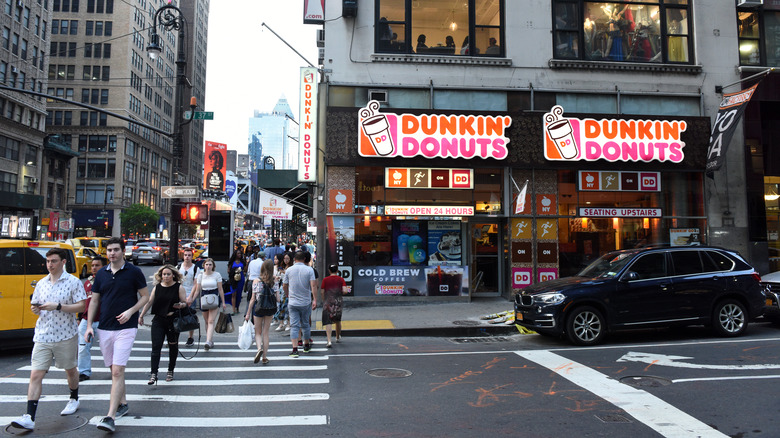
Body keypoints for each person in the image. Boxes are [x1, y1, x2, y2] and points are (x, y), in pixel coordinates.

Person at [10, 248, 87, 432]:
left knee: (70, 370)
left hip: (65, 334)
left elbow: (82, 305)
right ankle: (29, 416)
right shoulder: (42, 283)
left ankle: (74, 397)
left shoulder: (73, 282)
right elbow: (35, 304)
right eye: (48, 261)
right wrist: (35, 309)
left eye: (53, 261)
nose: (50, 265)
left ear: (63, 262)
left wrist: (58, 306)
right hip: (43, 334)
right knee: (36, 374)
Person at [84, 237, 150, 433]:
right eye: (109, 250)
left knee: (117, 371)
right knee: (114, 369)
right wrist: (89, 326)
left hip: (126, 327)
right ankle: (123, 403)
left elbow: (145, 296)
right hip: (105, 327)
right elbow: (94, 301)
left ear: (123, 251)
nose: (112, 253)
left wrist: (131, 311)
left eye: (115, 250)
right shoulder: (101, 274)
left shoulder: (134, 272)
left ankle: (110, 416)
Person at [139, 265, 187, 384]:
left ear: (173, 275)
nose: (166, 276)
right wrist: (141, 315)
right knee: (156, 347)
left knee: (173, 346)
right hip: (158, 320)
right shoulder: (157, 287)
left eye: (168, 274)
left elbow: (185, 303)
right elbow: (150, 302)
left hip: (173, 321)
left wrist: (181, 305)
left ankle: (170, 370)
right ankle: (153, 374)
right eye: (164, 274)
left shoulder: (178, 287)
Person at [77, 256, 108, 382]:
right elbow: (83, 301)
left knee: (108, 347)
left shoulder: (107, 281)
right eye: (93, 265)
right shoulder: (87, 282)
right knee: (83, 347)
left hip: (103, 320)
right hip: (86, 320)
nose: (94, 268)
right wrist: (79, 317)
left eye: (97, 265)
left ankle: (115, 369)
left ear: (104, 267)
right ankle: (84, 372)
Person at [283, 251, 317, 357]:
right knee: (305, 324)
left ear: (294, 259)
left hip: (293, 302)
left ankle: (295, 349)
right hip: (305, 301)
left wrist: (287, 294)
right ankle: (306, 345)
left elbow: (284, 285)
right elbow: (313, 286)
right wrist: (315, 299)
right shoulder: (309, 270)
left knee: (294, 326)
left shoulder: (289, 270)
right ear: (304, 259)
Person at [187, 258, 226, 350]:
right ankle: (210, 340)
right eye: (207, 264)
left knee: (211, 321)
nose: (208, 266)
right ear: (204, 266)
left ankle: (208, 341)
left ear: (213, 266)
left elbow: (220, 289)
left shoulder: (217, 275)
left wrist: (223, 302)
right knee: (206, 321)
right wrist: (191, 299)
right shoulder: (201, 276)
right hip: (204, 297)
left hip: (214, 297)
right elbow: (197, 290)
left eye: (210, 265)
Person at [245, 259, 278, 365]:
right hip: (270, 308)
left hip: (258, 307)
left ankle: (259, 348)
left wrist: (248, 313)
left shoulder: (256, 280)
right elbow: (278, 298)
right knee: (266, 332)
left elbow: (252, 299)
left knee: (257, 332)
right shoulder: (274, 281)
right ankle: (264, 357)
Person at [320, 264, 348, 348]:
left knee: (328, 321)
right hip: (338, 301)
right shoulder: (341, 279)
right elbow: (345, 291)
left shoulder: (325, 280)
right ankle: (337, 336)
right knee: (337, 320)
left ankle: (329, 341)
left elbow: (322, 291)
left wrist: (323, 299)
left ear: (329, 271)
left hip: (328, 301)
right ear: (337, 271)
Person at [177, 248, 199, 346]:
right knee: (176, 316)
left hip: (190, 293)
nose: (187, 257)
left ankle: (190, 337)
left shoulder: (195, 269)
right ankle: (174, 336)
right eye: (185, 255)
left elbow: (195, 284)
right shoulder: (178, 267)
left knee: (190, 317)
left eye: (189, 255)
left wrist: (191, 297)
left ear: (192, 256)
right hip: (179, 294)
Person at [227, 249, 246, 314]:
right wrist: (234, 271)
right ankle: (233, 309)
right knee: (233, 293)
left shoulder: (242, 262)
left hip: (241, 279)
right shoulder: (232, 262)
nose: (239, 255)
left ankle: (237, 307)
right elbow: (228, 270)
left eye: (240, 254)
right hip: (233, 279)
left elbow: (245, 270)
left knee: (239, 294)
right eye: (238, 253)